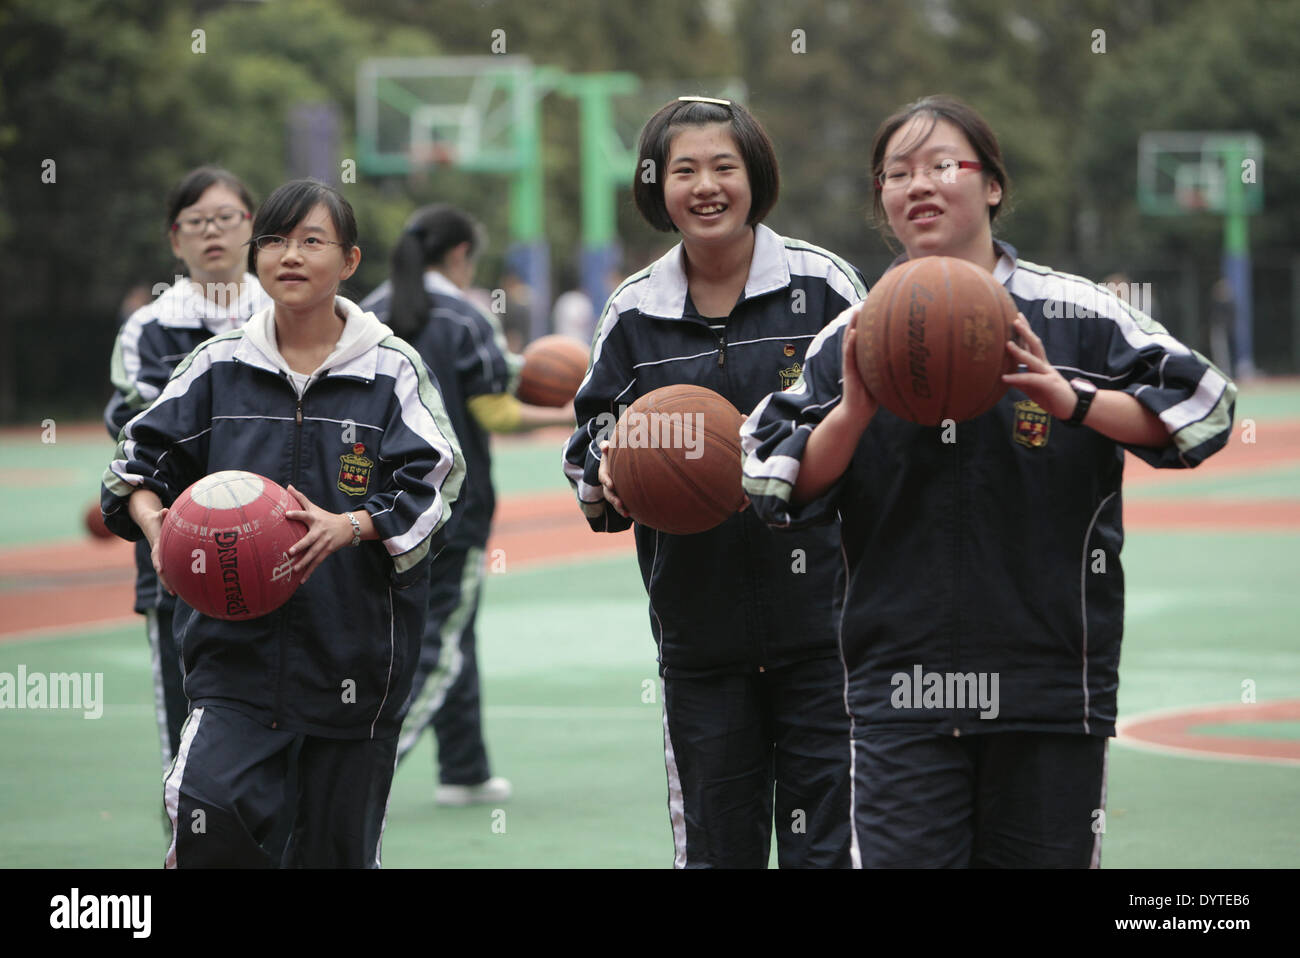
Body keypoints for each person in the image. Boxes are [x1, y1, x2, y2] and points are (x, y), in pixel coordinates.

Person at [740, 95, 1237, 868]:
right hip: (902, 687)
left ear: (992, 185)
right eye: (896, 173)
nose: (918, 185)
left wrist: (1067, 398)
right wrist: (853, 411)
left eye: (942, 165)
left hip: (1045, 681)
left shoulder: (1077, 315)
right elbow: (773, 481)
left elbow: (1203, 411)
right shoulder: (853, 335)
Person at [101, 179, 465, 868]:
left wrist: (351, 525)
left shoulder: (392, 371)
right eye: (273, 241)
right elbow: (131, 471)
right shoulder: (216, 369)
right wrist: (159, 532)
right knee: (206, 817)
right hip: (232, 663)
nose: (288, 256)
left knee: (333, 855)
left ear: (350, 261)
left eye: (311, 241)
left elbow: (439, 485)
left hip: (353, 661)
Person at [562, 96, 865, 868]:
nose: (705, 185)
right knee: (715, 851)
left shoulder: (824, 287)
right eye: (683, 169)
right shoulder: (634, 312)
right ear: (656, 186)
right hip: (699, 635)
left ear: (754, 175)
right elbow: (590, 438)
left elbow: (877, 426)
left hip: (826, 631)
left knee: (826, 851)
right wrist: (610, 474)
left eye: (723, 166)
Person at [361, 204, 573, 806]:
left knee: (442, 630)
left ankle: (464, 767)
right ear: (459, 255)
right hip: (454, 504)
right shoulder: (466, 317)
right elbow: (496, 411)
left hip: (378, 504)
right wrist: (573, 411)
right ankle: (364, 765)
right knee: (440, 642)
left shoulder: (366, 314)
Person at [103, 166, 271, 777]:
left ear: (251, 227)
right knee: (188, 722)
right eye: (196, 223)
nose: (212, 233)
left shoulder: (291, 311)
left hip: (282, 544)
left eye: (226, 218)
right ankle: (193, 835)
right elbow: (140, 436)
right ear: (176, 241)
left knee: (293, 716)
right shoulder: (148, 330)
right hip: (180, 547)